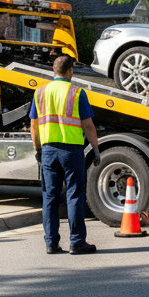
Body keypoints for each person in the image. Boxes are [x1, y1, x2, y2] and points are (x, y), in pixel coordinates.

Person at [29, 54, 101, 255]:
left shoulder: (40, 93)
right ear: (71, 71)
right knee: (74, 195)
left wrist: (38, 151)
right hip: (71, 151)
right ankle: (77, 242)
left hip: (49, 151)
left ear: (54, 71)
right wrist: (95, 149)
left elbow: (33, 126)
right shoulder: (77, 93)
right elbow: (88, 125)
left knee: (50, 197)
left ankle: (51, 243)